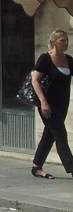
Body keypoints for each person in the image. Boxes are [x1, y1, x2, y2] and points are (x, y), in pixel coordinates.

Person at [31, 29, 72, 179]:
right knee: (61, 136)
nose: (66, 43)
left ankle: (36, 167)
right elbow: (35, 80)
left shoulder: (69, 60)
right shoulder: (45, 59)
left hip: (62, 105)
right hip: (47, 105)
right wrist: (43, 102)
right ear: (54, 42)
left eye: (67, 40)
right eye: (62, 40)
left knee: (49, 135)